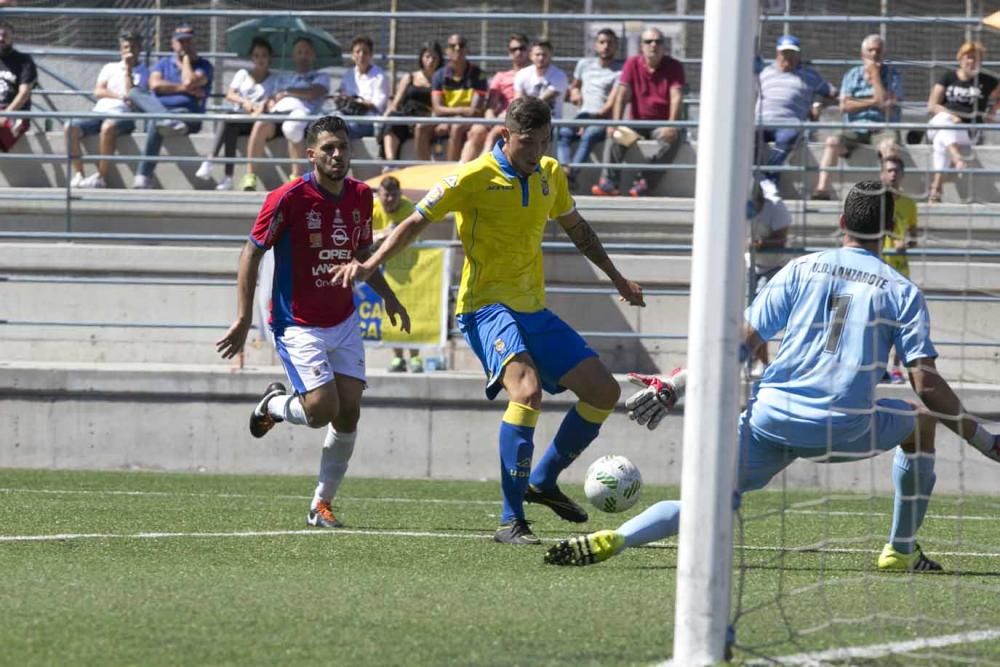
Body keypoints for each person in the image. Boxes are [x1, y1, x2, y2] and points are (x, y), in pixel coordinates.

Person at [546, 180, 1000, 572]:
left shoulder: (800, 268)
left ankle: (621, 537)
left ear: (841, 220)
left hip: (770, 419)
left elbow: (735, 346)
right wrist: (984, 439)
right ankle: (901, 550)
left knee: (704, 502)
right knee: (920, 423)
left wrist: (675, 385)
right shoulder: (900, 290)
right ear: (889, 227)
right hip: (841, 427)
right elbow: (926, 383)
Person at [330, 97, 645, 545]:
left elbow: (578, 228)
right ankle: (510, 519)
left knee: (603, 391)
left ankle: (542, 481)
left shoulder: (550, 174)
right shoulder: (472, 176)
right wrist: (370, 264)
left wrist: (618, 277)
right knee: (527, 392)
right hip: (484, 308)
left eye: (543, 142)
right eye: (526, 143)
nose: (535, 152)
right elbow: (415, 223)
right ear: (504, 137)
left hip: (532, 308)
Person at [216, 115, 410, 529]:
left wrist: (390, 297)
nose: (337, 154)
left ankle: (321, 505)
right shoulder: (287, 198)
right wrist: (243, 316)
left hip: (342, 318)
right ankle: (273, 404)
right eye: (328, 149)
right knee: (322, 410)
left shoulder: (361, 196)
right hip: (297, 321)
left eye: (342, 146)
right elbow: (251, 254)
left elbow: (363, 255)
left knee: (349, 413)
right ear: (311, 155)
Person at [591, 27, 686, 198]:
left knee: (676, 137)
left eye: (658, 41)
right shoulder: (632, 63)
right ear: (641, 46)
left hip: (662, 123)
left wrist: (671, 125)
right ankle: (609, 184)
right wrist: (616, 123)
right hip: (637, 123)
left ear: (664, 46)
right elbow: (621, 95)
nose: (653, 45)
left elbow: (676, 97)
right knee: (616, 135)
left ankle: (644, 182)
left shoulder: (674, 66)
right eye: (648, 41)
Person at [813, 35, 902, 200]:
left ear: (883, 54)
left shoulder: (893, 75)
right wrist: (874, 101)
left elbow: (886, 105)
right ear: (863, 55)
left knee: (889, 146)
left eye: (878, 50)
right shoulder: (852, 75)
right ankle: (822, 189)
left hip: (882, 128)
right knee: (832, 141)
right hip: (854, 128)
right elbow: (844, 106)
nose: (874, 54)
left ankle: (890, 192)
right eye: (870, 50)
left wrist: (875, 76)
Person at [128, 23, 213, 189]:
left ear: (193, 43)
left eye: (188, 42)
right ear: (173, 44)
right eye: (181, 42)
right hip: (166, 114)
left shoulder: (204, 66)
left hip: (188, 116)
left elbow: (189, 80)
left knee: (155, 121)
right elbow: (154, 85)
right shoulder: (163, 63)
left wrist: (187, 61)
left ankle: (143, 175)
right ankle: (166, 119)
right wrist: (185, 89)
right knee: (134, 92)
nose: (184, 46)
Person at [241, 37, 330, 191]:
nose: (303, 55)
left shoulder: (320, 77)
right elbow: (272, 97)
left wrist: (288, 92)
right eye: (299, 52)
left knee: (291, 127)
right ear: (293, 56)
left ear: (313, 55)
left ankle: (296, 178)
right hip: (279, 112)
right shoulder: (283, 77)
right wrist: (269, 102)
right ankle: (250, 175)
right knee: (260, 124)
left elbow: (314, 93)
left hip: (304, 114)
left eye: (306, 52)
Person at [192, 37, 279, 191]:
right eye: (257, 55)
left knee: (229, 120)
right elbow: (230, 94)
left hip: (259, 120)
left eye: (264, 55)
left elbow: (272, 101)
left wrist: (260, 107)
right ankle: (226, 176)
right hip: (241, 115)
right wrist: (244, 102)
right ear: (252, 57)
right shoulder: (243, 74)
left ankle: (212, 161)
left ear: (270, 58)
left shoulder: (275, 79)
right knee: (229, 122)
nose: (260, 59)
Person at [65, 30, 148, 189]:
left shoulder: (144, 72)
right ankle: (79, 174)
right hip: (99, 112)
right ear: (120, 49)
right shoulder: (110, 67)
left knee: (108, 127)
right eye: (125, 47)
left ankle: (101, 176)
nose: (129, 50)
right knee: (70, 127)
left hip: (123, 116)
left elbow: (132, 96)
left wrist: (129, 72)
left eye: (133, 47)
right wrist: (120, 97)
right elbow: (99, 91)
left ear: (139, 49)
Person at [754, 35, 837, 186]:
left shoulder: (809, 75)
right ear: (778, 54)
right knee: (747, 134)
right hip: (760, 121)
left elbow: (833, 94)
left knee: (789, 135)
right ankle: (757, 178)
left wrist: (818, 104)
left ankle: (766, 179)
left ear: (799, 55)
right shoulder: (765, 72)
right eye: (785, 53)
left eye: (793, 54)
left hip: (789, 122)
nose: (789, 58)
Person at [926, 41, 1000, 204]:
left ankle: (935, 191)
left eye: (976, 58)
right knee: (945, 123)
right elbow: (932, 105)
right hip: (941, 122)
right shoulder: (948, 77)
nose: (972, 62)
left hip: (968, 131)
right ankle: (957, 158)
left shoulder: (986, 80)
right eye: (969, 57)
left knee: (941, 140)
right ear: (960, 58)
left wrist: (992, 111)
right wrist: (950, 115)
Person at [557, 28, 622, 190]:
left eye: (610, 43)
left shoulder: (620, 71)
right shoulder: (584, 65)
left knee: (589, 135)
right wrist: (575, 93)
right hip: (582, 116)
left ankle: (570, 173)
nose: (606, 46)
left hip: (601, 119)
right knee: (563, 132)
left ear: (616, 47)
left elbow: (609, 106)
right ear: (595, 46)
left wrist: (587, 121)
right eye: (602, 42)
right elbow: (574, 87)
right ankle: (566, 170)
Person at [371, 176, 423, 373]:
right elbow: (366, 234)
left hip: (408, 267)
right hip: (384, 269)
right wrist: (383, 233)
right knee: (390, 311)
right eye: (387, 196)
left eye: (394, 195)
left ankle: (416, 357)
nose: (391, 200)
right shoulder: (373, 208)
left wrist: (384, 235)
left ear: (400, 194)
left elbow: (404, 234)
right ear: (379, 195)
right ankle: (398, 357)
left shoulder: (407, 207)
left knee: (413, 311)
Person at [879, 155, 919, 384]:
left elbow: (914, 235)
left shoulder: (909, 204)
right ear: (882, 174)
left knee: (897, 323)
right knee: (876, 322)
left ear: (902, 175)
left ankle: (895, 369)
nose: (893, 174)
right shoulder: (874, 202)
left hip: (900, 270)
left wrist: (907, 243)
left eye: (897, 171)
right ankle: (878, 368)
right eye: (889, 170)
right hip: (877, 269)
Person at [465, 33, 530, 162]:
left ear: (528, 50)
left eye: (521, 48)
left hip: (519, 118)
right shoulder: (501, 76)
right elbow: (491, 105)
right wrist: (490, 119)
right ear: (509, 53)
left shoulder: (533, 74)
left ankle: (482, 166)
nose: (518, 52)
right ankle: (460, 168)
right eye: (514, 49)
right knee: (476, 130)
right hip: (500, 117)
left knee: (496, 133)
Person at [747, 179, 791, 369]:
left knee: (761, 318)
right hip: (750, 264)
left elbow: (781, 240)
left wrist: (760, 244)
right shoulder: (737, 207)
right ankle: (760, 361)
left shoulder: (776, 207)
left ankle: (762, 362)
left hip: (774, 267)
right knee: (753, 318)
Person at [380, 41, 442, 166]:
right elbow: (396, 102)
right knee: (392, 122)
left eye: (434, 57)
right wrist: (387, 114)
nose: (431, 61)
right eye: (427, 57)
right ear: (421, 58)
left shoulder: (441, 79)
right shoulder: (410, 77)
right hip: (407, 114)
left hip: (426, 116)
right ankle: (390, 164)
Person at [430, 33, 487, 162]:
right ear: (447, 51)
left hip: (468, 120)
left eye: (461, 45)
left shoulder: (479, 74)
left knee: (456, 126)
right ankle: (420, 168)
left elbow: (474, 110)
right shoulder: (439, 75)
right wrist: (459, 112)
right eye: (452, 46)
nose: (457, 48)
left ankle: (452, 170)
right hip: (447, 117)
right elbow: (438, 109)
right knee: (420, 127)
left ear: (467, 50)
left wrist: (452, 118)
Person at [335, 35, 390, 139]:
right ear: (352, 55)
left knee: (343, 127)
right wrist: (340, 97)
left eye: (365, 52)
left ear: (371, 55)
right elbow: (341, 92)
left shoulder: (380, 76)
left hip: (367, 120)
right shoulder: (349, 74)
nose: (361, 55)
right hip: (346, 115)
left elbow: (379, 106)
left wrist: (357, 102)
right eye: (357, 52)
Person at [512, 39, 569, 129]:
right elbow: (517, 101)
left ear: (551, 55)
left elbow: (541, 101)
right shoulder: (522, 74)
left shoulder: (559, 75)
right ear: (530, 56)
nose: (541, 58)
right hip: (526, 122)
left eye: (544, 54)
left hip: (551, 124)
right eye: (537, 54)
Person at [0, 19, 37, 153]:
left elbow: (24, 93)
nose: (1, 39)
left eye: (4, 35)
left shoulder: (24, 60)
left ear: (12, 38)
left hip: (15, 113)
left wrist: (6, 114)